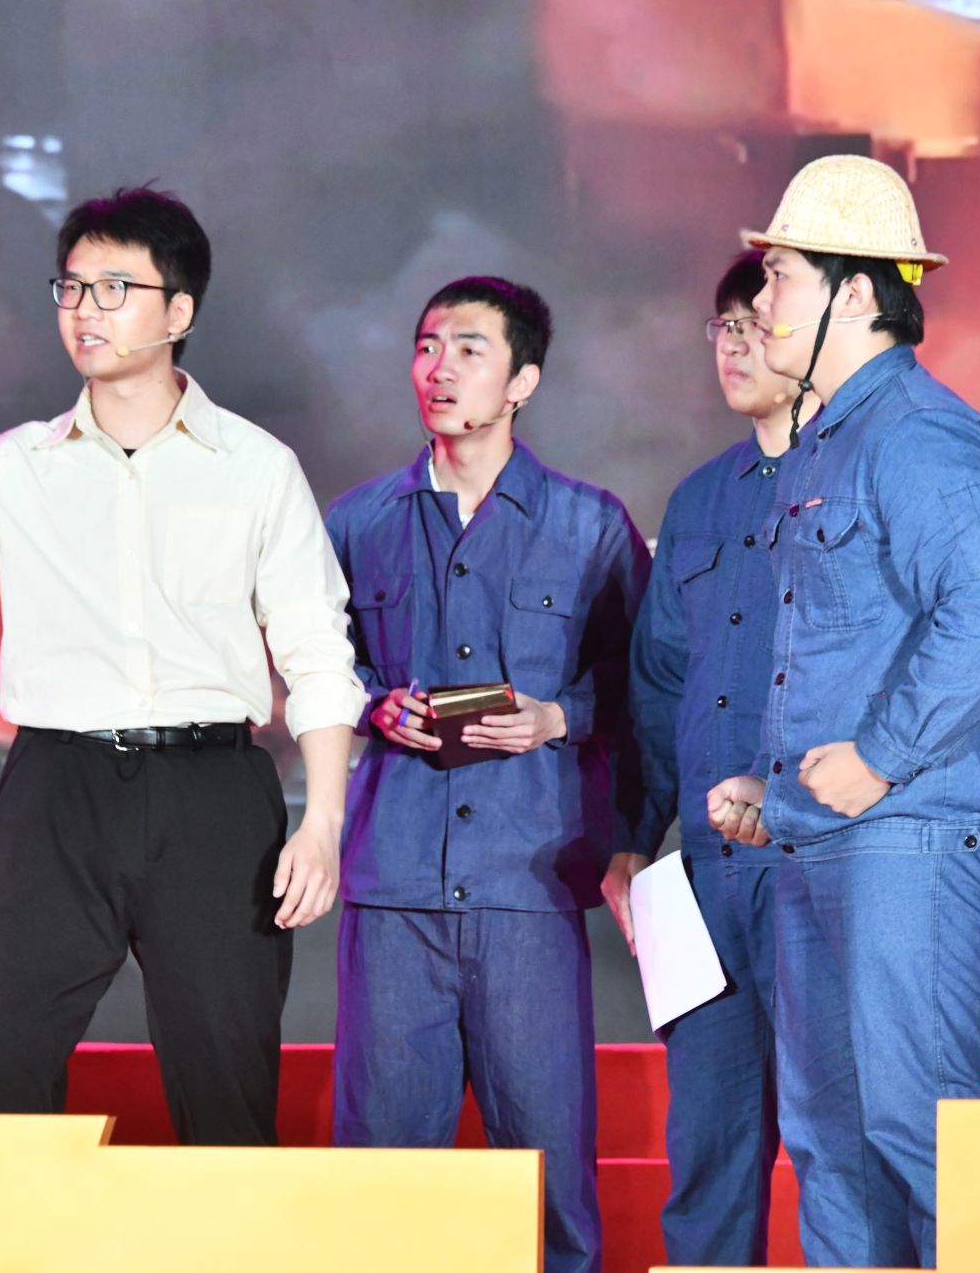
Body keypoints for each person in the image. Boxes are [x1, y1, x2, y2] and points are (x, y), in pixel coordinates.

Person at [0, 184, 364, 1143]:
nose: (84, 310)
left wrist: (324, 825)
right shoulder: (23, 462)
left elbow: (317, 653)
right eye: (71, 287)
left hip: (212, 796)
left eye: (114, 288)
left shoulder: (256, 466)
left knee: (228, 1094)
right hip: (57, 790)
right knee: (2, 1080)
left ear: (178, 312)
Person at [706, 155, 980, 1268]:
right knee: (832, 1138)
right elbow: (834, 645)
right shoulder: (830, 437)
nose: (761, 299)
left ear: (855, 293)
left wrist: (880, 756)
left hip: (907, 831)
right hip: (824, 830)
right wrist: (776, 786)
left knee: (920, 1120)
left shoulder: (918, 433)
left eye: (782, 275)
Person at [325, 276, 648, 1273]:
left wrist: (558, 716)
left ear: (522, 381)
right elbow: (311, 667)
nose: (439, 367)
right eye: (427, 345)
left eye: (469, 348)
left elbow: (641, 686)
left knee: (550, 1184)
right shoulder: (357, 522)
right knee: (380, 1191)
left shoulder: (590, 526)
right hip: (393, 890)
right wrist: (372, 703)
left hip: (527, 887)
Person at [610, 250, 818, 1266]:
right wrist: (629, 837)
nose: (734, 347)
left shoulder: (853, 485)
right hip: (701, 876)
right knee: (707, 1145)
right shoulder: (696, 502)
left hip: (815, 861)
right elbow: (658, 686)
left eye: (754, 325)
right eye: (722, 329)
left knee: (834, 1143)